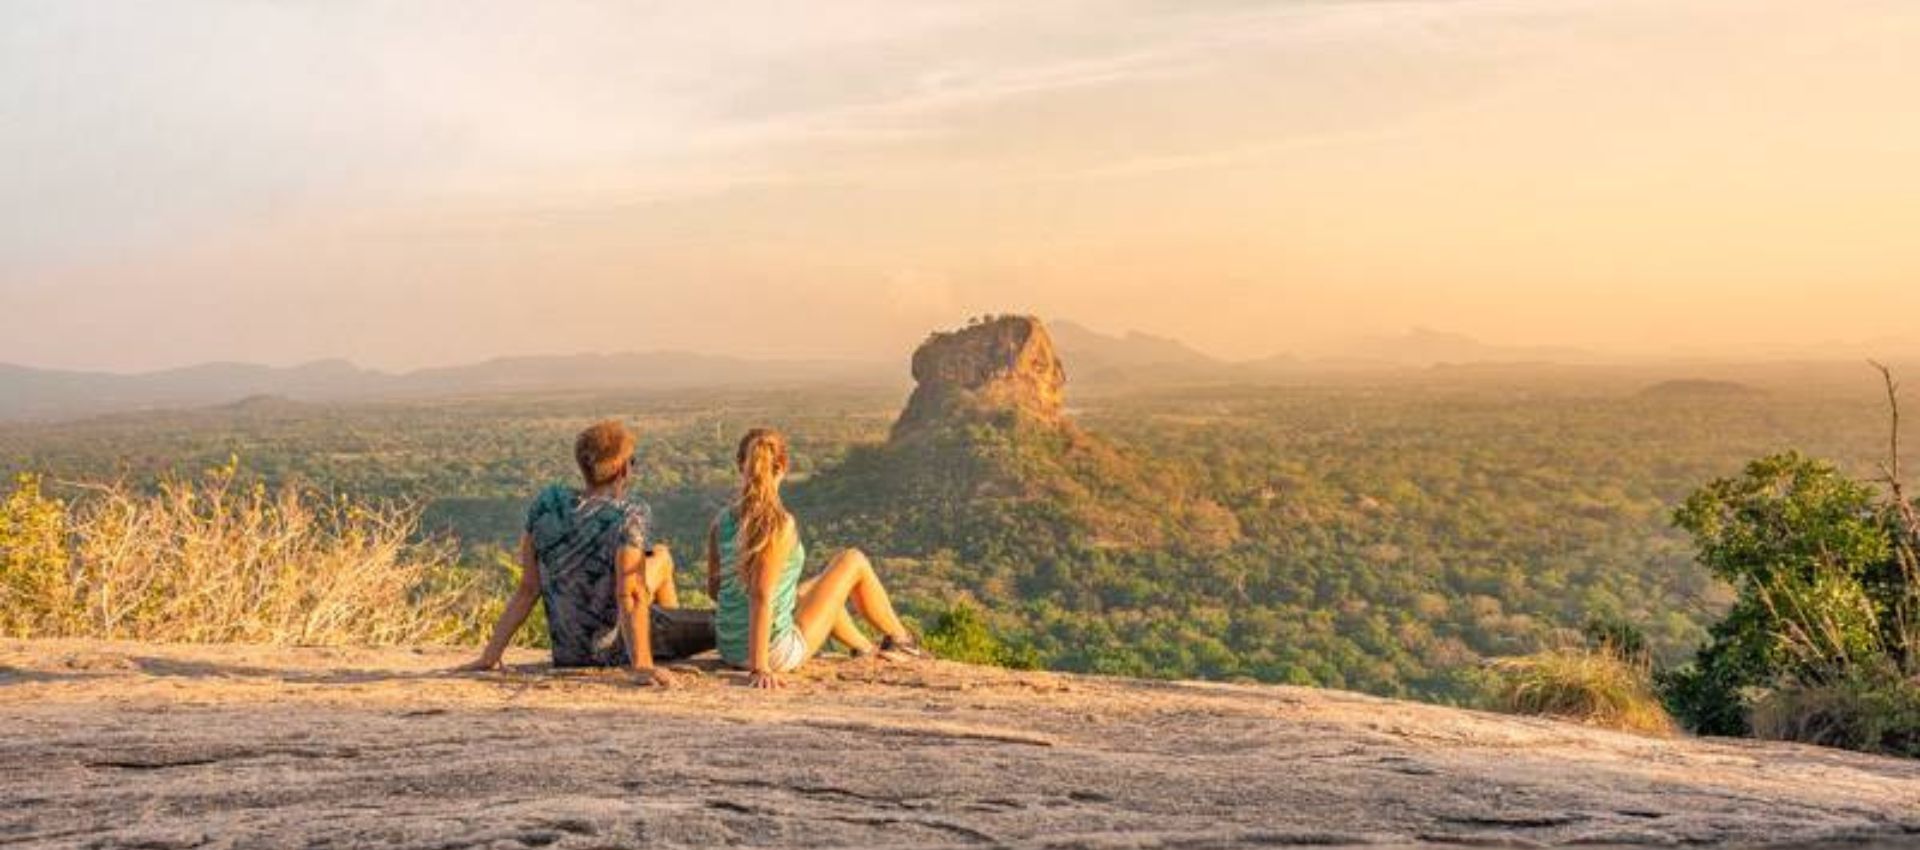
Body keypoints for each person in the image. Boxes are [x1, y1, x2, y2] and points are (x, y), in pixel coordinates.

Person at [458, 420, 683, 686]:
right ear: (623, 468)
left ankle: (669, 634)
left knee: (654, 556)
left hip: (568, 653)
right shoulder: (630, 514)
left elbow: (528, 589)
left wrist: (490, 655)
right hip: (615, 653)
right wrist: (643, 666)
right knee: (662, 557)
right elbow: (630, 593)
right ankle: (672, 638)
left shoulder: (547, 504)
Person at [710, 427, 926, 689]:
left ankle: (865, 650)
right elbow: (761, 596)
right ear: (783, 466)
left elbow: (715, 590)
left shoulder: (721, 522)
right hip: (772, 652)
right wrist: (760, 667)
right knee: (852, 560)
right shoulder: (778, 524)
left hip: (728, 646)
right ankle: (902, 641)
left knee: (814, 590)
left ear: (739, 465)